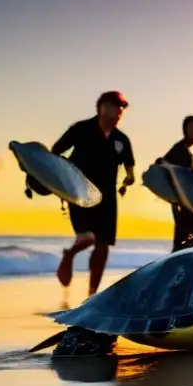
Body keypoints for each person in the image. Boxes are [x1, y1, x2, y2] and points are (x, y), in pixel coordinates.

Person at [51, 91, 136, 296]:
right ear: (102, 107)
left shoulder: (121, 139)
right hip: (80, 192)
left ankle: (92, 295)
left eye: (122, 109)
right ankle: (69, 255)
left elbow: (129, 166)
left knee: (103, 245)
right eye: (117, 108)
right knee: (88, 237)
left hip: (108, 198)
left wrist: (129, 178)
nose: (119, 113)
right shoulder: (81, 129)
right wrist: (59, 181)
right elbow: (55, 152)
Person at [158, 115, 193, 252]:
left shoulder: (184, 151)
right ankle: (185, 269)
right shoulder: (180, 152)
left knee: (186, 239)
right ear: (188, 129)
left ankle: (182, 268)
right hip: (183, 206)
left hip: (187, 205)